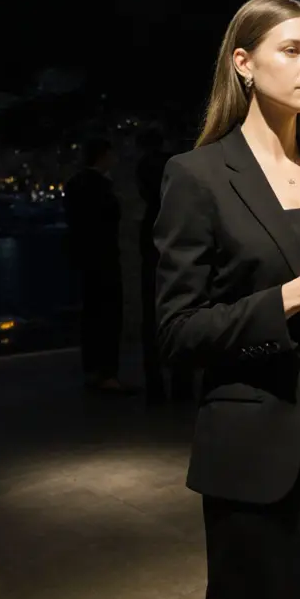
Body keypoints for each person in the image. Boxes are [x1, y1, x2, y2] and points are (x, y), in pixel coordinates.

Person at [154, 0, 300, 599]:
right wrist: (291, 296)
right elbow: (177, 332)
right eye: (292, 50)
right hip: (257, 457)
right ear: (244, 63)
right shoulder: (197, 175)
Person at [64, 137, 132, 394]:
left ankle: (92, 370)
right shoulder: (101, 187)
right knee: (109, 316)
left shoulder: (74, 184)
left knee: (91, 316)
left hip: (86, 261)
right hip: (104, 259)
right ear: (103, 156)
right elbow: (110, 220)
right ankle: (108, 373)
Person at [135, 126, 182, 402]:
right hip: (168, 242)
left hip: (150, 245)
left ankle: (155, 383)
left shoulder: (145, 170)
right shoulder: (172, 166)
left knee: (152, 317)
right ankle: (180, 383)